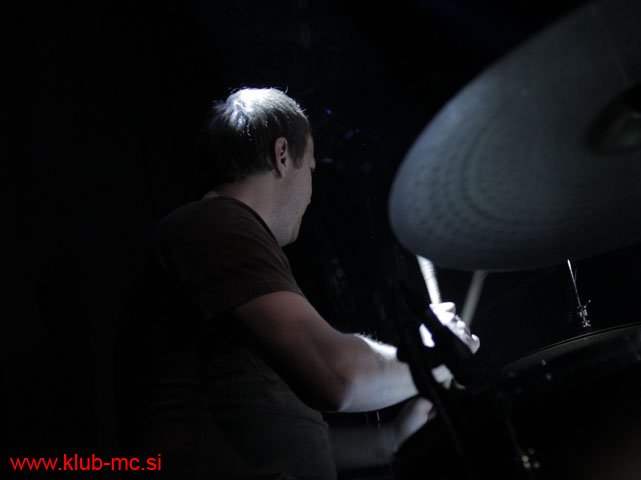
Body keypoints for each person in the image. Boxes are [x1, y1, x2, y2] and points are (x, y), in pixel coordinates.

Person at [114, 87, 478, 479]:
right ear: (283, 154)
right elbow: (338, 378)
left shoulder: (225, 242)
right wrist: (437, 357)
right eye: (311, 170)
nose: (309, 194)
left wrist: (392, 437)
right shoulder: (219, 225)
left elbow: (285, 434)